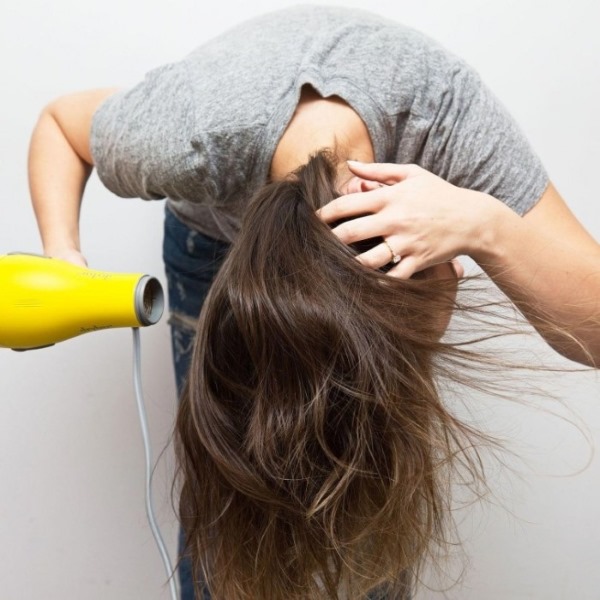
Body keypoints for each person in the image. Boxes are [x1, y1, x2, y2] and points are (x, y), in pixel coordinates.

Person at [27, 5, 599, 599]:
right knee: (233, 485)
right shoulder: (190, 135)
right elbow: (61, 126)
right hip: (213, 243)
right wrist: (62, 254)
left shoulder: (447, 126)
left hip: (376, 220)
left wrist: (490, 227)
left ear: (432, 264)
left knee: (368, 476)